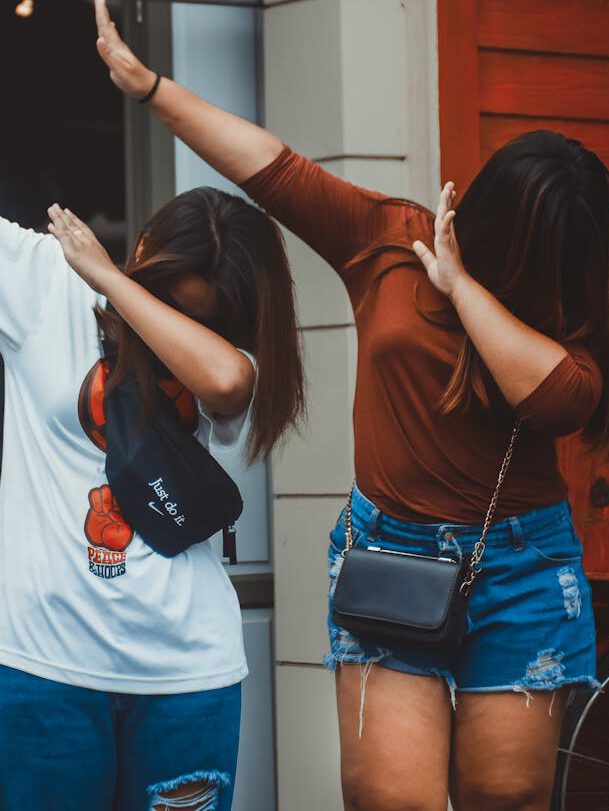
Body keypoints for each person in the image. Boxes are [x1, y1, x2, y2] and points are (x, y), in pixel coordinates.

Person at [87, 2, 609, 809]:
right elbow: (275, 168)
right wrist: (151, 85)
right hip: (390, 556)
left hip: (522, 571)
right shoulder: (389, 239)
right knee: (389, 798)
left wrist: (462, 287)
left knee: (503, 793)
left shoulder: (564, 327)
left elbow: (556, 399)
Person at [0, 18, 305, 811]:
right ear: (147, 247)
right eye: (165, 293)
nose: (177, 324)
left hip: (186, 678)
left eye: (197, 314)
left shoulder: (228, 356)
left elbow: (228, 383)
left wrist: (113, 281)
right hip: (42, 670)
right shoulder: (45, 284)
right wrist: (95, 276)